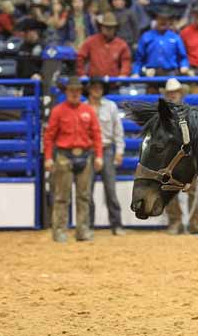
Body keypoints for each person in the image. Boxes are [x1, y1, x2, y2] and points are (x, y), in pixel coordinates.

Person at [44, 77, 103, 243]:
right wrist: (48, 158)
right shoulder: (58, 111)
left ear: (80, 92)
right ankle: (60, 230)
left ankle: (82, 230)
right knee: (62, 196)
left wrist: (99, 155)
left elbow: (96, 134)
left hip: (85, 155)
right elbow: (49, 136)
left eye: (77, 90)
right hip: (64, 156)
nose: (75, 93)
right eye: (71, 90)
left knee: (84, 196)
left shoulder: (88, 111)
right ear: (66, 92)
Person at [161, 78, 198, 235]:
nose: (173, 95)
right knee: (169, 190)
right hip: (170, 159)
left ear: (180, 93)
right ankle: (176, 222)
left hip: (188, 157)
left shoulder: (189, 113)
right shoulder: (163, 115)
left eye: (175, 92)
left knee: (193, 190)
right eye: (171, 93)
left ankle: (195, 223)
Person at [86, 77, 126, 236]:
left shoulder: (110, 106)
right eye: (94, 87)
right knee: (86, 191)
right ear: (89, 89)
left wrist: (119, 151)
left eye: (100, 87)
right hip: (88, 151)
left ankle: (116, 225)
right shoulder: (83, 107)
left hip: (107, 149)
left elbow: (118, 130)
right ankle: (88, 225)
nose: (97, 90)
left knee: (111, 190)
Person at [77, 12, 132, 78]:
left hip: (114, 83)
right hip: (94, 83)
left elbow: (126, 61)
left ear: (115, 29)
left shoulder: (122, 45)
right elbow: (80, 57)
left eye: (111, 27)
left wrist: (123, 74)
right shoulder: (91, 41)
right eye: (106, 27)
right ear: (101, 27)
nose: (109, 29)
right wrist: (82, 74)